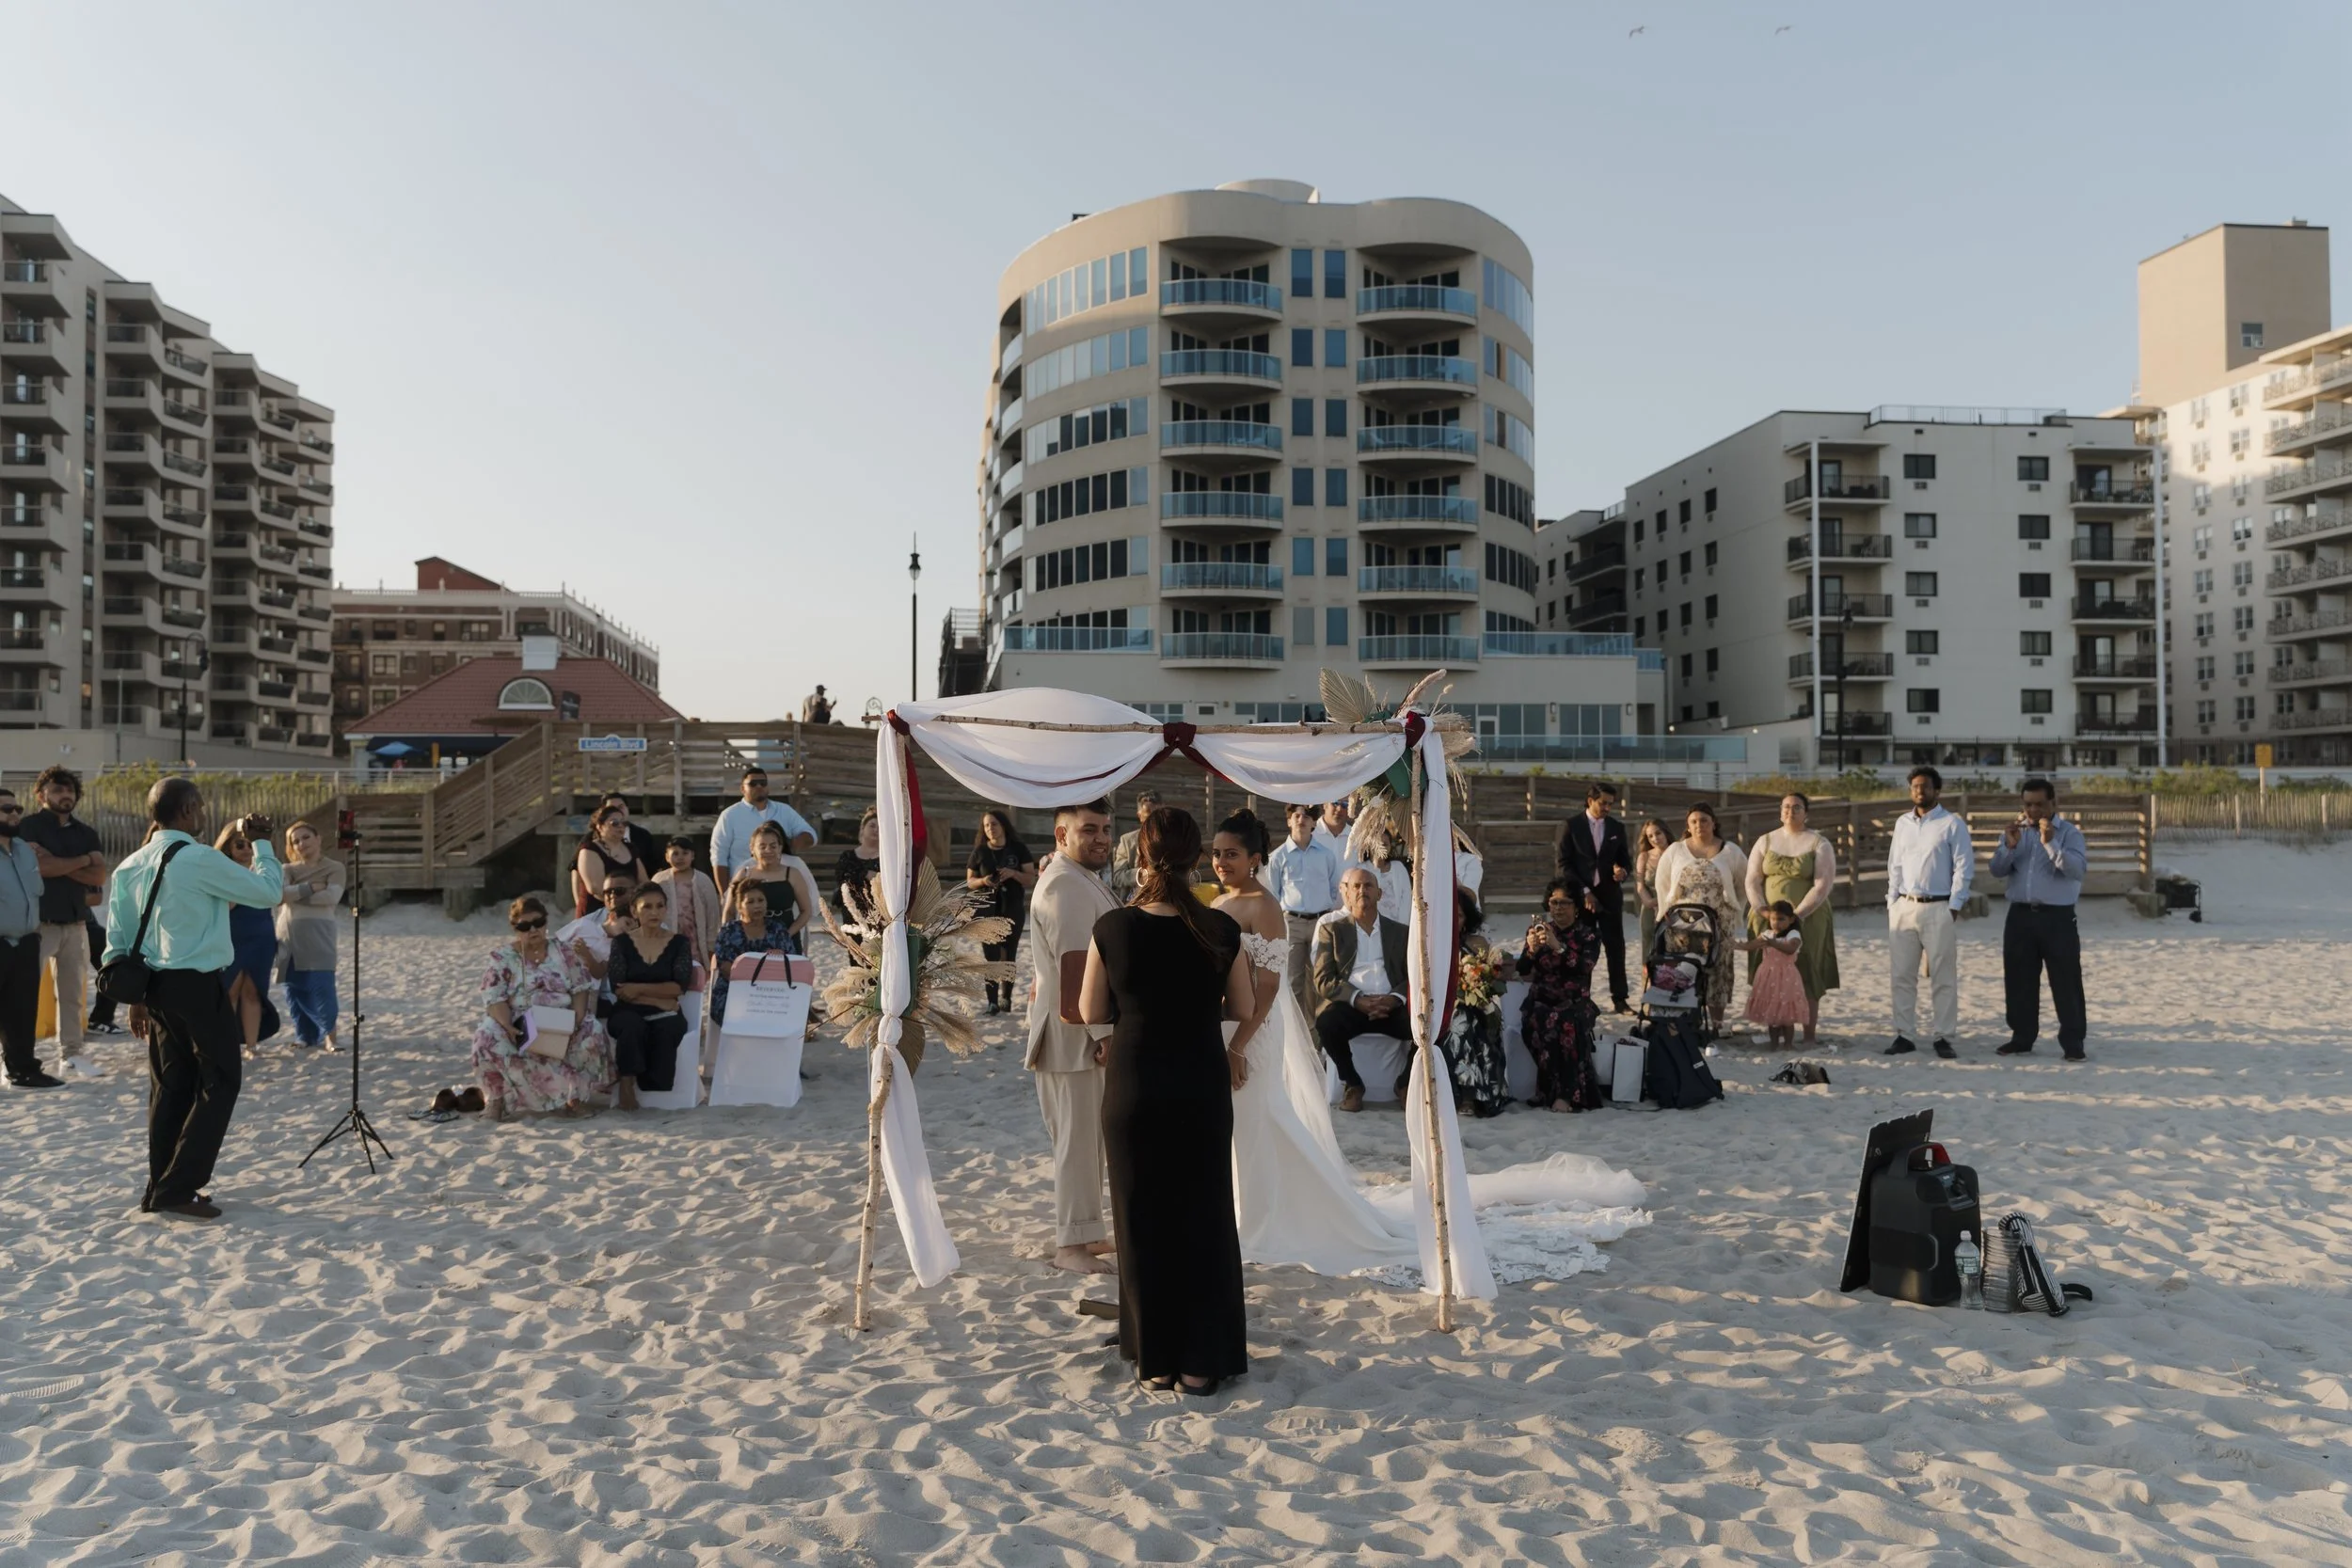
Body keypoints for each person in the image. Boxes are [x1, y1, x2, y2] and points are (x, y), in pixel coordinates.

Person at [1079, 805, 1258, 1396]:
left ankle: (1154, 1359)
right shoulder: (1220, 928)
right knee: (1204, 1216)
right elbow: (1244, 1009)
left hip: (1133, 1083)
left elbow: (1090, 1012)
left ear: (1142, 855)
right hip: (1200, 1081)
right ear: (1195, 858)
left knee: (1140, 1217)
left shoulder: (1113, 927)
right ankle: (1202, 1362)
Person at [1211, 808, 1422, 1272]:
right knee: (1235, 1126)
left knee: (1260, 1118)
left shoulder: (1264, 906)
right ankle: (1239, 1213)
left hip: (1254, 1031)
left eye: (1231, 855)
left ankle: (1264, 1219)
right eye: (1216, 854)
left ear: (1255, 859)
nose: (1221, 862)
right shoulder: (1218, 903)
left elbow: (1269, 985)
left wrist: (1239, 1044)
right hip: (1223, 1025)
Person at [103, 780, 283, 1221]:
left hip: (154, 987)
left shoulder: (129, 864)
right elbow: (267, 893)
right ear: (186, 810)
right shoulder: (199, 858)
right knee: (220, 1081)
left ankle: (160, 1187)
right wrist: (262, 845)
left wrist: (136, 1000)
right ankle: (177, 1188)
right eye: (199, 806)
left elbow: (118, 941)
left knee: (170, 1089)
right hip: (197, 985)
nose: (203, 813)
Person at [1023, 797, 1120, 1275]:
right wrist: (1104, 1032)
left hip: (1077, 1033)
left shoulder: (1081, 880)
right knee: (1077, 1143)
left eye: (1105, 827)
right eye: (1089, 829)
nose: (1101, 836)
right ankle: (1070, 1246)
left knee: (1088, 1141)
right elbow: (1077, 966)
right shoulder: (1064, 885)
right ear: (1062, 835)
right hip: (1074, 1036)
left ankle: (1084, 1231)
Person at [470, 895, 612, 1122]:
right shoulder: (503, 957)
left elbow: (580, 988)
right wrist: (507, 1025)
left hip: (561, 1017)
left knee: (591, 1030)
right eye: (525, 926)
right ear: (515, 928)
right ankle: (496, 1100)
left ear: (546, 923)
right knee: (486, 1035)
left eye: (538, 923)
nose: (533, 930)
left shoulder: (565, 952)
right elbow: (494, 997)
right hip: (519, 1021)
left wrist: (575, 1020)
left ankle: (575, 1098)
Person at [1991, 777, 2089, 1061]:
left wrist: (2050, 843)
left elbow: (2076, 871)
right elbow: (1997, 870)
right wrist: (2008, 847)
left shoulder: (2070, 834)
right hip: (2020, 915)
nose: (2034, 811)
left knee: (2066, 981)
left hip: (2057, 917)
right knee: (2019, 979)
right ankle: (2021, 1038)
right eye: (2028, 804)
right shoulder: (2015, 833)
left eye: (2040, 804)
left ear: (2053, 804)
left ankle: (2073, 1043)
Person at [1884, 765, 1973, 1060]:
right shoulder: (1902, 823)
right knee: (1902, 975)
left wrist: (1955, 906)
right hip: (1904, 907)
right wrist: (1892, 903)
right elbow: (1894, 865)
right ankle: (1904, 1035)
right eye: (1915, 786)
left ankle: (1944, 1037)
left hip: (1939, 907)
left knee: (1943, 976)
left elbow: (1964, 867)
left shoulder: (1951, 823)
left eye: (1925, 786)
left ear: (1937, 790)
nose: (1919, 791)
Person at [1311, 866, 1415, 1114]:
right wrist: (1357, 999)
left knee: (1435, 1026)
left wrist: (1394, 999)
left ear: (1379, 893)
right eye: (1356, 886)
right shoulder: (1332, 930)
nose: (1362, 891)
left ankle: (1405, 1083)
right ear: (1346, 894)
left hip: (1392, 1008)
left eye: (1368, 886)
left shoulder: (1400, 932)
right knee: (1326, 1023)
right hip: (1351, 1007)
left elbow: (1413, 977)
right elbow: (1323, 979)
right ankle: (1353, 1084)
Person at [20, 766, 104, 1069]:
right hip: (38, 925)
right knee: (24, 992)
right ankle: (17, 1054)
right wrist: (82, 861)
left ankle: (72, 1054)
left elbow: (99, 875)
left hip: (76, 924)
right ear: (41, 794)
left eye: (69, 790)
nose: (65, 795)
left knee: (72, 995)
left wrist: (60, 863)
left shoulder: (86, 832)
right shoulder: (28, 828)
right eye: (57, 789)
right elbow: (40, 869)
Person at [1742, 792, 1840, 1045]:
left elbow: (1822, 884)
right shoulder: (1765, 841)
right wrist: (1762, 909)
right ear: (1780, 811)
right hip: (1767, 917)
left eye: (1797, 807)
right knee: (1772, 973)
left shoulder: (1819, 843)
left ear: (1806, 812)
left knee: (1807, 970)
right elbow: (1752, 879)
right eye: (1786, 807)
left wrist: (1797, 916)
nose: (1791, 811)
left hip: (1810, 916)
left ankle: (1808, 1035)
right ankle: (1777, 1034)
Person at [1653, 802, 1750, 1033]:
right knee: (1683, 968)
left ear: (1713, 823)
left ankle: (1717, 1022)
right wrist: (1665, 909)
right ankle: (1686, 1019)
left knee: (1719, 969)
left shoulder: (1730, 851)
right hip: (1681, 923)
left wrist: (1734, 910)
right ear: (1688, 825)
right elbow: (1663, 883)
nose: (1699, 825)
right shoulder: (1676, 850)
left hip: (1719, 921)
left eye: (1704, 820)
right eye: (1694, 821)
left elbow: (1743, 884)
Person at [1517, 879, 1607, 1112]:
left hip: (1574, 1002)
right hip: (1541, 1000)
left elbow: (1583, 967)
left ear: (1576, 906)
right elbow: (1523, 969)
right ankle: (1549, 1091)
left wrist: (1559, 947)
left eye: (1564, 903)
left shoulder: (1588, 936)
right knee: (1536, 1023)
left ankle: (1564, 1096)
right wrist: (1531, 949)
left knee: (1565, 1024)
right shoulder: (1538, 931)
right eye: (1554, 902)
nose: (1558, 908)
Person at [606, 883, 692, 1110]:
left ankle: (654, 1085)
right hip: (628, 1009)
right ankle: (626, 1085)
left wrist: (640, 989)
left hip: (665, 1011)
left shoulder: (679, 943)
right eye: (647, 907)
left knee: (669, 1026)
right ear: (634, 911)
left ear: (666, 910)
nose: (654, 912)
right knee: (631, 1025)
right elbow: (621, 989)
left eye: (659, 906)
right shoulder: (622, 944)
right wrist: (658, 999)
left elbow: (678, 987)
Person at [1557, 782, 1634, 1013]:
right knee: (1583, 950)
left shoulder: (1617, 828)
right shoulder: (1572, 826)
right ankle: (1583, 998)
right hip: (1583, 898)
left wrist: (1622, 872)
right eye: (1603, 803)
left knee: (1616, 949)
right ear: (1590, 800)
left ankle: (1620, 999)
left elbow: (1625, 862)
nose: (1607, 808)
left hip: (1610, 897)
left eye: (1611, 804)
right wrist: (1585, 892)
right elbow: (1564, 864)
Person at [1261, 802, 1341, 1020]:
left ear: (1314, 822)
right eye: (1296, 815)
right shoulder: (1278, 857)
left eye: (1307, 816)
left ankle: (1320, 1036)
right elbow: (1273, 894)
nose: (1301, 819)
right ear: (1289, 820)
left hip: (1320, 923)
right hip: (1292, 924)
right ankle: (1298, 1035)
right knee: (1293, 979)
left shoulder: (1326, 855)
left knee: (1321, 977)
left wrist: (1324, 915)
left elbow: (1335, 888)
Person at [0, 788, 54, 1089]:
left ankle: (23, 1071)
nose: (13, 814)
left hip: (26, 942)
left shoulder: (24, 849)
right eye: (6, 809)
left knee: (21, 1012)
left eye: (16, 809)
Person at [1440, 891, 1511, 1119]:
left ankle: (1480, 1095)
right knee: (1461, 1020)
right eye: (1451, 915)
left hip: (1477, 1004)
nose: (1455, 920)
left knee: (1475, 1019)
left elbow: (1491, 977)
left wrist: (1478, 988)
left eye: (1459, 916)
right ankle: (1465, 1095)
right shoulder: (1435, 943)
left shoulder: (1478, 943)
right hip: (1444, 1007)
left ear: (1467, 918)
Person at [276, 821, 345, 1051]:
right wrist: (310, 888)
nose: (301, 843)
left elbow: (331, 897)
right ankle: (304, 1035)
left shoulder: (334, 868)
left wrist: (297, 894)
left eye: (305, 837)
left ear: (318, 838)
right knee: (293, 987)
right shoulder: (287, 870)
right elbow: (280, 895)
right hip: (288, 934)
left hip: (319, 934)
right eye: (295, 841)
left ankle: (330, 1037)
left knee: (322, 985)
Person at [215, 825, 278, 1060]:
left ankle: (252, 1046)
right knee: (229, 990)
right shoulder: (220, 871)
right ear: (228, 847)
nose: (246, 850)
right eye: (239, 844)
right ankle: (227, 1045)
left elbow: (275, 896)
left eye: (250, 844)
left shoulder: (266, 869)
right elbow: (229, 904)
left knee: (254, 991)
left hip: (260, 932)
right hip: (232, 933)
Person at [966, 809, 1037, 1014]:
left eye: (994, 824)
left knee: (1008, 955)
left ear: (1003, 825)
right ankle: (992, 1002)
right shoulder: (980, 851)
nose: (990, 828)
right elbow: (969, 881)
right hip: (986, 910)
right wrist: (983, 881)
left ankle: (1006, 998)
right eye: (987, 825)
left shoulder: (1018, 849)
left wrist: (1013, 873)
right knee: (991, 957)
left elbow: (1030, 878)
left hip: (1012, 908)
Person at [710, 766, 816, 889]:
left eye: (763, 783)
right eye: (753, 784)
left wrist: (788, 847)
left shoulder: (784, 811)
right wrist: (724, 894)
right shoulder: (729, 816)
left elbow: (810, 835)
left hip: (781, 886)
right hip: (745, 889)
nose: (759, 787)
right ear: (742, 789)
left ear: (768, 787)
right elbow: (719, 857)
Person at [709, 879, 795, 1030]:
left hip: (771, 991)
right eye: (750, 902)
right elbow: (727, 969)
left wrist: (780, 958)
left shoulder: (777, 929)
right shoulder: (729, 931)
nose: (757, 905)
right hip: (734, 990)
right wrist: (768, 965)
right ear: (740, 906)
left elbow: (790, 964)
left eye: (761, 900)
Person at [726, 821, 819, 956]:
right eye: (762, 846)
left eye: (773, 846)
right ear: (752, 848)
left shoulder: (793, 874)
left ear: (780, 847)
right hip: (750, 938)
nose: (768, 851)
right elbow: (729, 911)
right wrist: (730, 936)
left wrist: (786, 934)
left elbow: (806, 911)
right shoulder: (744, 874)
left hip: (786, 936)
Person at [1740, 900, 1810, 1050]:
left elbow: (1791, 949)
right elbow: (1751, 945)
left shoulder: (1793, 934)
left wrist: (1773, 943)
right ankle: (1773, 1043)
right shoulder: (1767, 935)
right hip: (1768, 976)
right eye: (1773, 919)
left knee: (1786, 1015)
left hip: (1786, 977)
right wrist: (1737, 945)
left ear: (1790, 920)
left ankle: (1789, 1044)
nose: (1776, 923)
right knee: (1772, 1013)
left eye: (1781, 919)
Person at [652, 836, 721, 974]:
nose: (680, 858)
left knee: (698, 978)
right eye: (675, 854)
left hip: (696, 940)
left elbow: (713, 915)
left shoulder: (703, 881)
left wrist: (711, 946)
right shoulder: (659, 880)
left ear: (693, 855)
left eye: (685, 853)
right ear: (667, 857)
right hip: (667, 939)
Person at [575, 805, 646, 918]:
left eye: (624, 823)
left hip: (630, 912)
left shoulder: (631, 849)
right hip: (597, 913)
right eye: (615, 823)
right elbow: (596, 888)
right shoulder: (589, 849)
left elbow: (643, 882)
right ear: (600, 826)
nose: (621, 826)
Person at [831, 806, 883, 939]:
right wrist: (865, 874)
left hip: (880, 912)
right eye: (872, 826)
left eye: (879, 826)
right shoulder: (847, 856)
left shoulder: (887, 857)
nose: (876, 830)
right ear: (863, 828)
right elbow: (841, 878)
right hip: (852, 912)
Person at [593, 793, 664, 884]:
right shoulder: (591, 839)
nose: (618, 811)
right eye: (612, 808)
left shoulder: (643, 835)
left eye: (621, 807)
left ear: (627, 809)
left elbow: (656, 865)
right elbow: (575, 869)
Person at [1631, 818, 1673, 968]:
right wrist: (1649, 902)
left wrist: (1664, 902)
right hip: (1649, 906)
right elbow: (1640, 885)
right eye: (1650, 836)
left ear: (1665, 832)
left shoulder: (1677, 852)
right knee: (1649, 945)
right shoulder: (1645, 856)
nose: (1655, 839)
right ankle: (1648, 984)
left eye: (1658, 833)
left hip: (1674, 907)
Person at [1108, 789, 1159, 899]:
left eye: (1157, 814)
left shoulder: (1170, 839)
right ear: (1139, 815)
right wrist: (1142, 874)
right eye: (1148, 815)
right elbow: (1118, 876)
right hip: (1135, 900)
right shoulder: (1127, 841)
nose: (1153, 820)